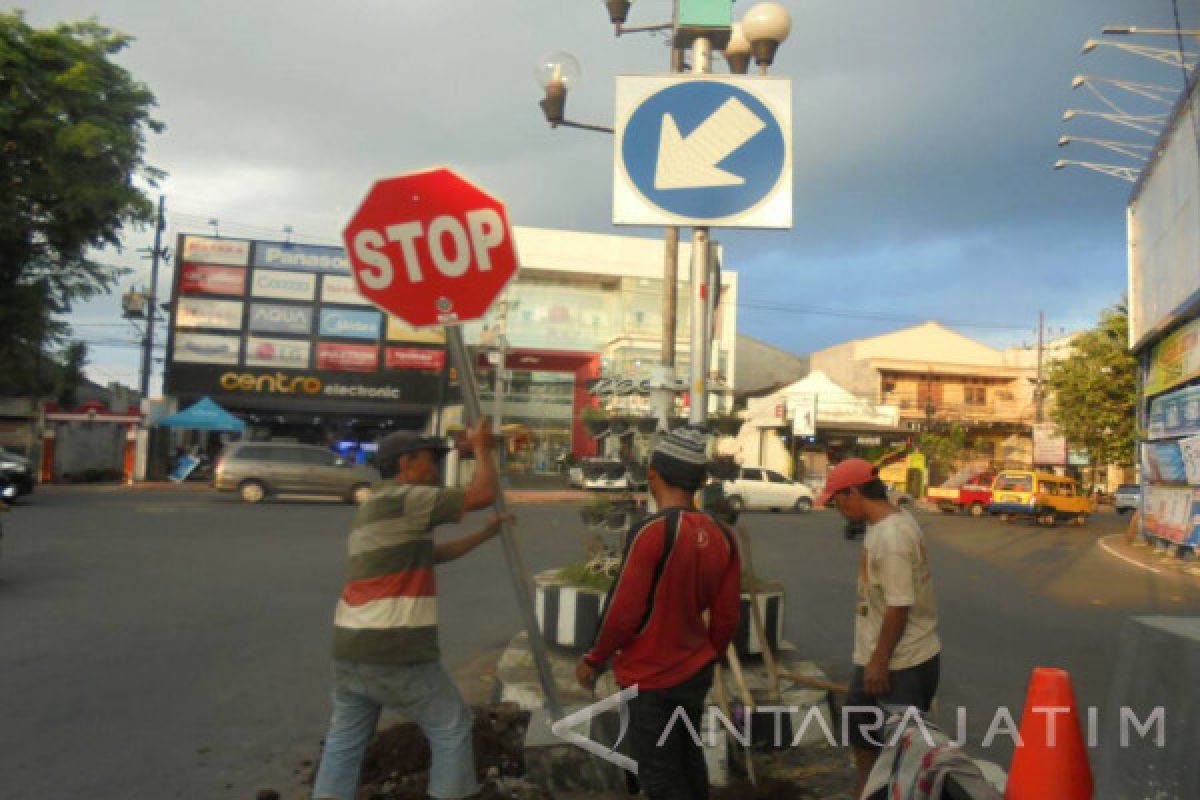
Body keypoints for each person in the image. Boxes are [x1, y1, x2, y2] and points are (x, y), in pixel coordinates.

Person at [312, 421, 504, 800]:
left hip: (350, 649)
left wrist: (484, 535)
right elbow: (482, 493)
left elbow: (433, 555)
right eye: (429, 460)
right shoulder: (406, 498)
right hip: (393, 648)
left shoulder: (378, 507)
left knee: (346, 740)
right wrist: (483, 448)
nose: (434, 469)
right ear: (406, 464)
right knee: (451, 725)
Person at [575, 427, 741, 800]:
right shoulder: (723, 535)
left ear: (653, 473)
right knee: (687, 758)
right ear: (699, 481)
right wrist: (707, 656)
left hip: (649, 676)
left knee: (660, 776)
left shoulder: (651, 532)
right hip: (695, 671)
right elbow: (728, 616)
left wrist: (594, 657)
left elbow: (622, 610)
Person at [820, 458, 942, 798]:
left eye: (836, 501)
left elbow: (899, 605)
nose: (837, 509)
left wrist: (879, 661)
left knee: (901, 751)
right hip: (877, 655)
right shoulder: (885, 522)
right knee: (860, 729)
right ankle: (867, 790)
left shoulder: (893, 539)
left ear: (853, 493)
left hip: (900, 663)